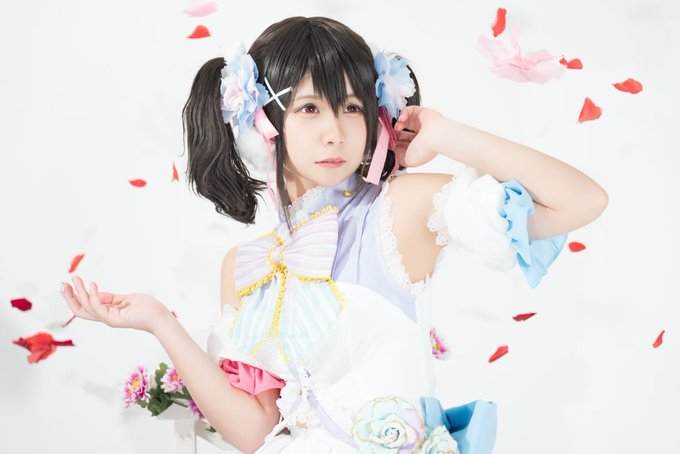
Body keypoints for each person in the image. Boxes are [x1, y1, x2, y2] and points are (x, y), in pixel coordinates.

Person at [61, 16, 608, 454]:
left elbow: (582, 201)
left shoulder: (397, 211)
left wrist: (447, 135)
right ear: (259, 126)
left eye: (351, 107)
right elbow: (255, 432)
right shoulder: (245, 264)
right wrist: (160, 322)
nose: (335, 131)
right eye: (309, 108)